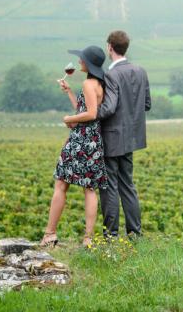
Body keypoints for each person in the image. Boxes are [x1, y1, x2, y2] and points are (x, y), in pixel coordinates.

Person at [40, 45, 108, 248]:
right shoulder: (97, 83)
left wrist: (69, 118)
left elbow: (91, 114)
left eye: (82, 59)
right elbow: (85, 109)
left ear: (89, 62)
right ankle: (88, 238)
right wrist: (70, 92)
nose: (79, 62)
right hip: (94, 139)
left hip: (80, 139)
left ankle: (50, 233)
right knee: (89, 188)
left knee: (61, 184)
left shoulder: (88, 84)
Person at [90, 30, 150, 239]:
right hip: (132, 138)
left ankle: (111, 237)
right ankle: (135, 234)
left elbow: (108, 108)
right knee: (128, 185)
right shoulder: (141, 71)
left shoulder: (111, 75)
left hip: (112, 138)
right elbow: (146, 104)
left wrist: (86, 115)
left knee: (109, 187)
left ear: (109, 47)